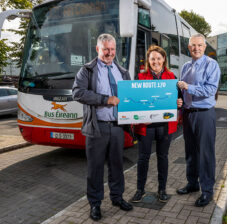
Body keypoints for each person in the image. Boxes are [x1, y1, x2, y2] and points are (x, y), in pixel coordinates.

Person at [72, 33, 133, 221]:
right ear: (98, 49)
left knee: (117, 165)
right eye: (106, 49)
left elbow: (130, 96)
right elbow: (78, 92)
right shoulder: (87, 70)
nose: (109, 53)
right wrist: (104, 100)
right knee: (95, 168)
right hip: (97, 127)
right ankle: (95, 204)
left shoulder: (122, 72)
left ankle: (117, 198)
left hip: (116, 127)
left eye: (112, 49)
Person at [131, 45, 183, 203]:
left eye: (158, 58)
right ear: (148, 60)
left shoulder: (172, 77)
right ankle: (140, 190)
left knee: (163, 158)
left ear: (164, 60)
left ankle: (162, 189)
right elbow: (135, 102)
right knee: (143, 159)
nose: (155, 61)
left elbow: (178, 100)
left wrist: (179, 103)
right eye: (152, 58)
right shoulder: (140, 78)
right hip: (146, 127)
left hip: (165, 126)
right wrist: (139, 117)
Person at [177, 33, 220, 207]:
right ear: (189, 47)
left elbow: (210, 89)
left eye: (200, 45)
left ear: (204, 47)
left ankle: (207, 191)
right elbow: (182, 92)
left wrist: (189, 87)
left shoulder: (212, 65)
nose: (196, 48)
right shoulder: (185, 66)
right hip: (188, 114)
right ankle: (193, 183)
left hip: (204, 114)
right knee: (191, 152)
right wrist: (180, 101)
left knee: (205, 154)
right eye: (193, 45)